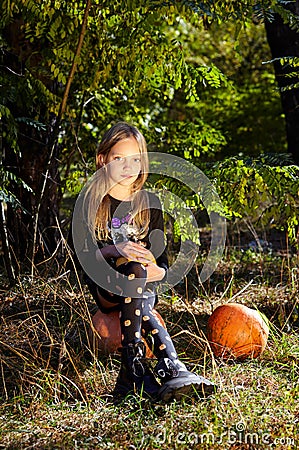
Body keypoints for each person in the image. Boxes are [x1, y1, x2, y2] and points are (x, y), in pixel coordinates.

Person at [69, 121, 215, 402]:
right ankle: (171, 366)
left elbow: (162, 265)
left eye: (134, 159)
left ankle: (132, 373)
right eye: (118, 158)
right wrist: (114, 250)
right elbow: (83, 260)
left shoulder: (150, 204)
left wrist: (154, 266)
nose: (127, 166)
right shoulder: (89, 201)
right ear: (102, 160)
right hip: (107, 288)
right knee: (132, 272)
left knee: (139, 273)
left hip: (143, 291)